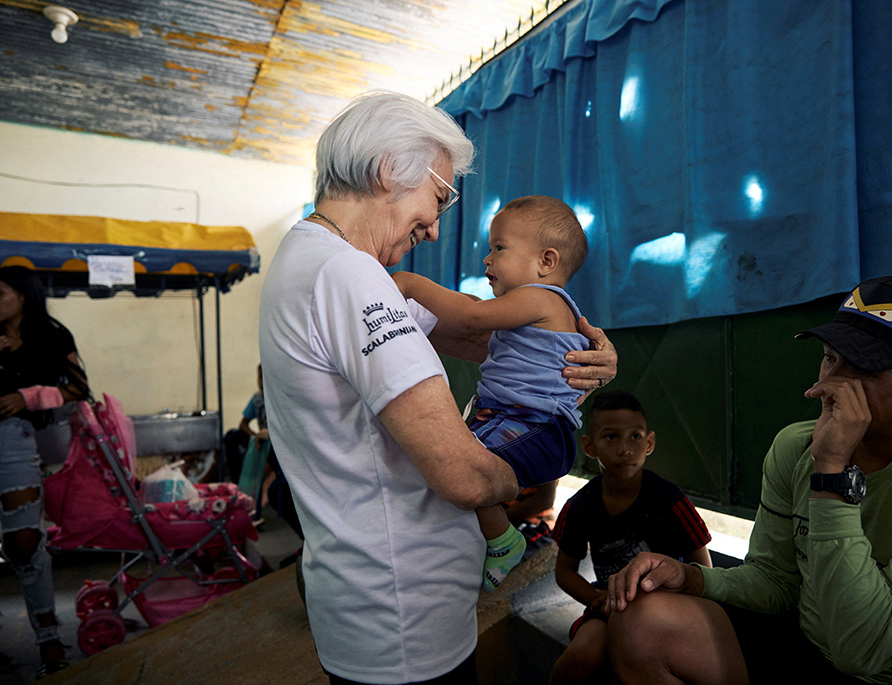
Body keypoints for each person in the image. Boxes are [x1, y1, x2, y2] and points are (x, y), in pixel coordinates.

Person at [258, 90, 617, 685]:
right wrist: (533, 467)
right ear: (386, 170)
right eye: (439, 197)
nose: (434, 226)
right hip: (402, 615)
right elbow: (463, 475)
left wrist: (580, 357)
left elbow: (480, 338)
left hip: (380, 603)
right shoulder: (350, 275)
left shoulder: (313, 259)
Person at [604, 276, 892, 685]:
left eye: (864, 367)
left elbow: (864, 649)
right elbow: (776, 581)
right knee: (641, 620)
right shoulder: (796, 447)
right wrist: (691, 576)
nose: (830, 384)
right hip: (815, 648)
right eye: (830, 358)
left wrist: (832, 471)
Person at [392, 195, 591, 592]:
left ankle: (503, 540)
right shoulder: (529, 307)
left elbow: (471, 317)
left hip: (536, 426)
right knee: (455, 466)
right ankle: (492, 537)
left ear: (546, 262)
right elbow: (472, 310)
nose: (487, 259)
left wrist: (410, 283)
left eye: (499, 248)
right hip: (513, 420)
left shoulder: (542, 298)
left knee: (462, 468)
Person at [549, 390, 712, 685]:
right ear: (589, 446)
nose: (625, 449)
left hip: (669, 606)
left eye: (635, 437)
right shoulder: (579, 507)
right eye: (611, 437)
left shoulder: (670, 500)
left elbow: (703, 569)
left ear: (649, 443)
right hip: (610, 607)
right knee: (580, 658)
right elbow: (564, 572)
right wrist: (596, 598)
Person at [0, 265, 89, 678]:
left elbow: (77, 387)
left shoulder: (51, 335)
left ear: (23, 294)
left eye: (1, 293)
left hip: (12, 437)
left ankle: (49, 640)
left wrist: (28, 397)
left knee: (23, 540)